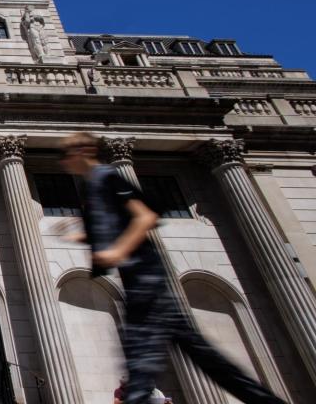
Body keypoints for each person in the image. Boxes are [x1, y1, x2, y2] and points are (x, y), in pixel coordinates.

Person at [58, 133, 286, 404]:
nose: (65, 161)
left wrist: (118, 251)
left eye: (68, 153)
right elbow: (111, 230)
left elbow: (145, 216)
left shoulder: (107, 177)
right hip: (137, 280)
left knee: (141, 361)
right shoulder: (90, 186)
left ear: (84, 151)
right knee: (197, 357)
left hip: (147, 278)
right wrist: (80, 235)